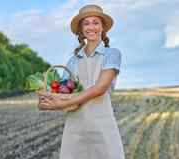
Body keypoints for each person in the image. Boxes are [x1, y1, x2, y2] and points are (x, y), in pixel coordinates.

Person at [38, 4, 125, 159]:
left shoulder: (111, 54)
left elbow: (100, 88)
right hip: (75, 127)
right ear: (81, 29)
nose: (91, 27)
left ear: (103, 27)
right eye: (86, 23)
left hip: (102, 125)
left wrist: (63, 104)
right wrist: (47, 100)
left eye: (96, 22)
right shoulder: (73, 60)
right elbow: (61, 91)